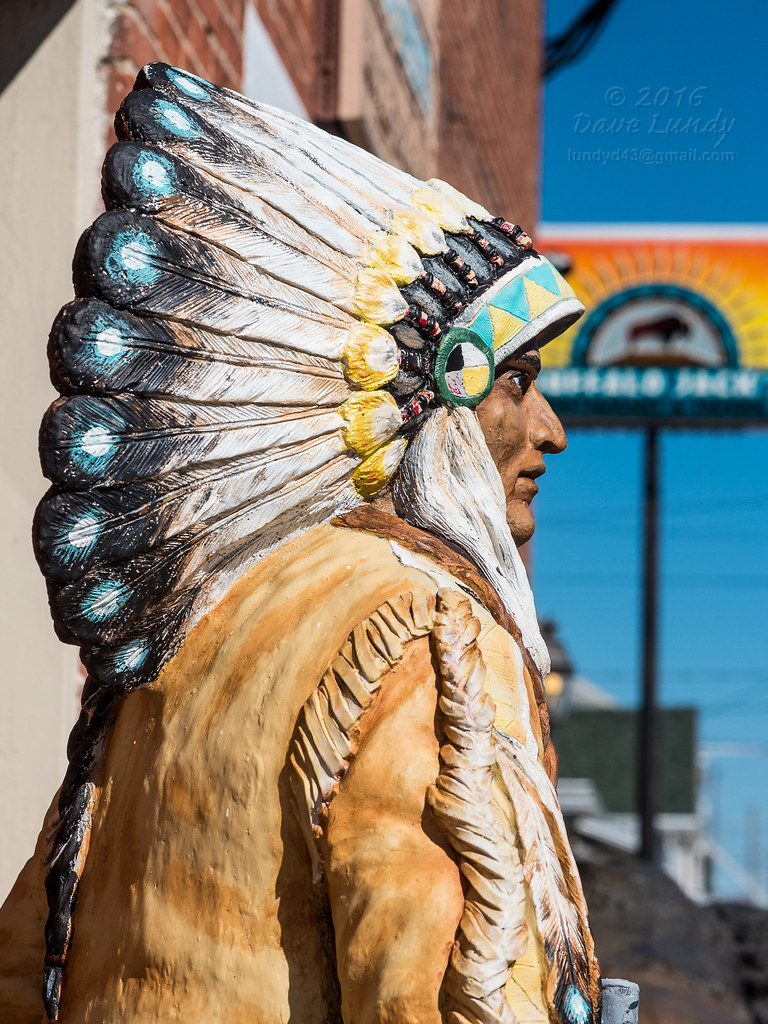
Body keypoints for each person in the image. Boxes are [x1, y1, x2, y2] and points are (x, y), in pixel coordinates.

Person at [0, 63, 636, 1024]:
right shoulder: (423, 627)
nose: (551, 429)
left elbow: (25, 967)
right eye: (520, 381)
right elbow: (449, 988)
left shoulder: (175, 651)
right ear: (444, 400)